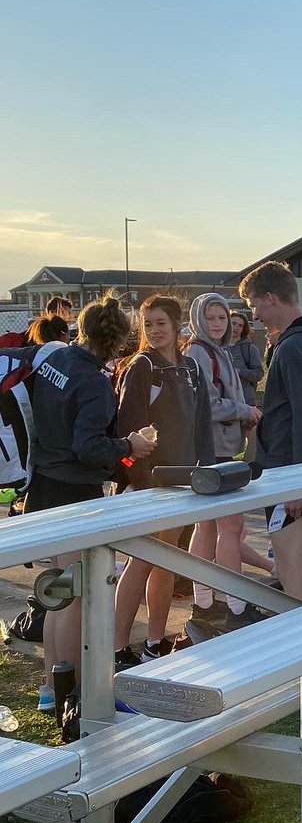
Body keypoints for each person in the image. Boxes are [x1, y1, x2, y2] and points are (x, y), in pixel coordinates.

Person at [2, 295, 155, 708]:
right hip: (74, 495)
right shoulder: (94, 385)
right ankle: (67, 690)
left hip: (44, 486)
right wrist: (129, 444)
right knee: (74, 597)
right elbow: (88, 446)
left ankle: (51, 688)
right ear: (120, 340)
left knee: (58, 595)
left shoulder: (55, 360)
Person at [113, 296, 215, 661]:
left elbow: (203, 425)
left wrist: (207, 472)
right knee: (139, 561)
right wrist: (141, 483)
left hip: (183, 482)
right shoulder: (141, 367)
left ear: (177, 326)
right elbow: (127, 430)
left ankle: (155, 642)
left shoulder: (192, 369)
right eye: (148, 324)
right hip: (147, 485)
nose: (155, 330)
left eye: (161, 323)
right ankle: (117, 647)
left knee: (166, 561)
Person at [239, 261, 302, 603]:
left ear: (269, 298)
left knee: (289, 563)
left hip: (291, 472)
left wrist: (299, 482)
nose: (254, 316)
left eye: (254, 306)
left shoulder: (296, 347)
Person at [185, 293, 264, 634]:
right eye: (212, 317)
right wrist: (245, 412)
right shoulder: (199, 352)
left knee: (208, 527)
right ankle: (236, 605)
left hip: (217, 447)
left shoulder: (218, 352)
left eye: (222, 318)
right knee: (229, 528)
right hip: (211, 450)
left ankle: (203, 602)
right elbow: (210, 405)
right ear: (199, 319)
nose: (217, 324)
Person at [227, 310, 264, 408]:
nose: (236, 328)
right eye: (233, 323)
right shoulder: (218, 347)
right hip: (224, 401)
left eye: (240, 325)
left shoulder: (249, 349)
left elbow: (259, 374)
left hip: (245, 400)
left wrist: (239, 372)